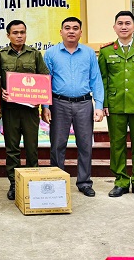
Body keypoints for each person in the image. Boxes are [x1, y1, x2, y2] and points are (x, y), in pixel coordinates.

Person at [42, 17, 104, 197]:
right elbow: (47, 81)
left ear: (80, 32)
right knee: (57, 144)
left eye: (75, 28)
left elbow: (96, 79)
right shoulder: (51, 53)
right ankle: (57, 180)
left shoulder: (89, 53)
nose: (71, 31)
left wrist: (98, 105)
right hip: (58, 103)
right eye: (67, 28)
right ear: (60, 31)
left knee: (85, 144)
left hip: (84, 104)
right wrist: (45, 106)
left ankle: (84, 182)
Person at [98, 11, 134, 199]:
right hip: (115, 105)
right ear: (114, 27)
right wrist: (104, 103)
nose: (124, 26)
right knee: (117, 145)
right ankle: (121, 181)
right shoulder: (106, 51)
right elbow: (103, 80)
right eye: (120, 23)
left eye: (127, 23)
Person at [0, 20, 48, 200]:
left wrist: (41, 99)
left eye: (22, 32)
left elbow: (44, 78)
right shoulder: (0, 56)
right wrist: (0, 92)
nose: (19, 36)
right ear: (8, 35)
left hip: (30, 110)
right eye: (15, 32)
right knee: (12, 148)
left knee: (32, 147)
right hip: (10, 109)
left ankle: (32, 180)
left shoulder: (34, 55)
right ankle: (14, 183)